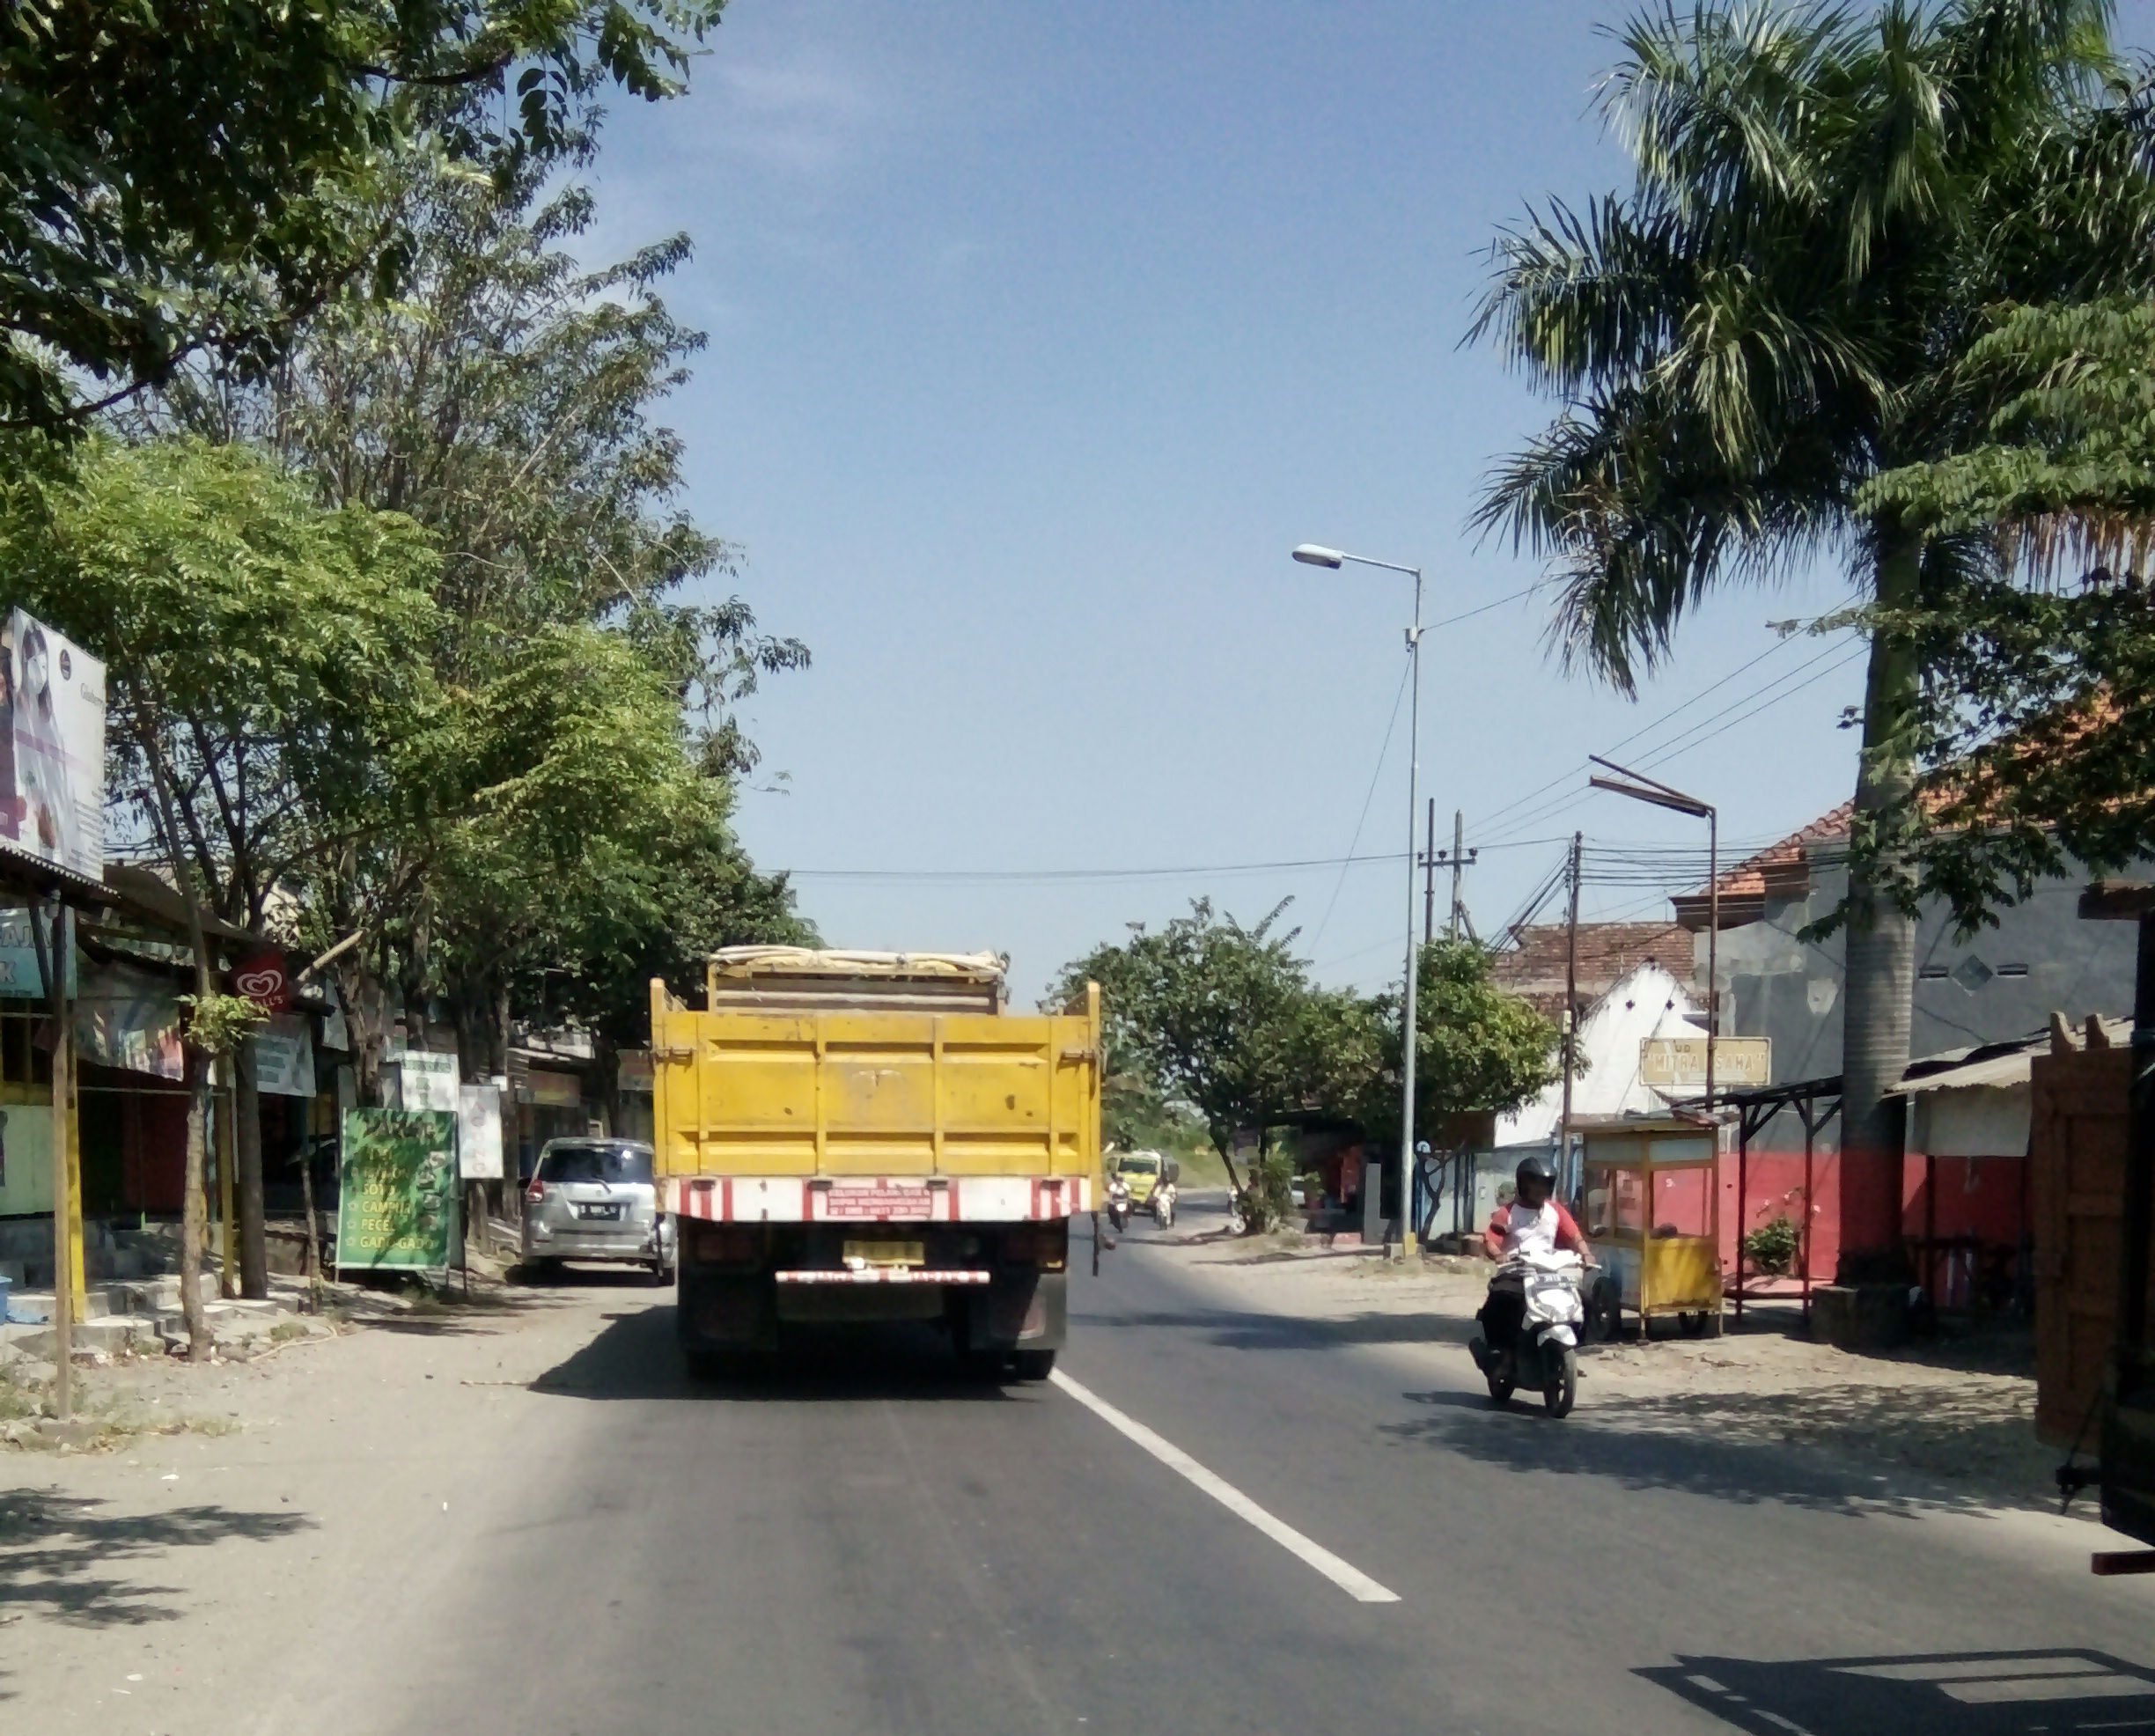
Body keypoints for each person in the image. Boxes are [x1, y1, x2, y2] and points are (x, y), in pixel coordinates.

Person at [1476, 1154, 1590, 1359]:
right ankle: (1499, 1350)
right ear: (1523, 1183)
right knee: (1501, 1300)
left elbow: (1575, 1237)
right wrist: (1499, 1254)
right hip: (1516, 1271)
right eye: (1534, 1183)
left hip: (1549, 1272)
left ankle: (1570, 1351)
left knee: (1583, 1300)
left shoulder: (1556, 1211)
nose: (1540, 1189)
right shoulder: (1507, 1212)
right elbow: (1491, 1240)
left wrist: (1586, 1254)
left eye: (1544, 1184)